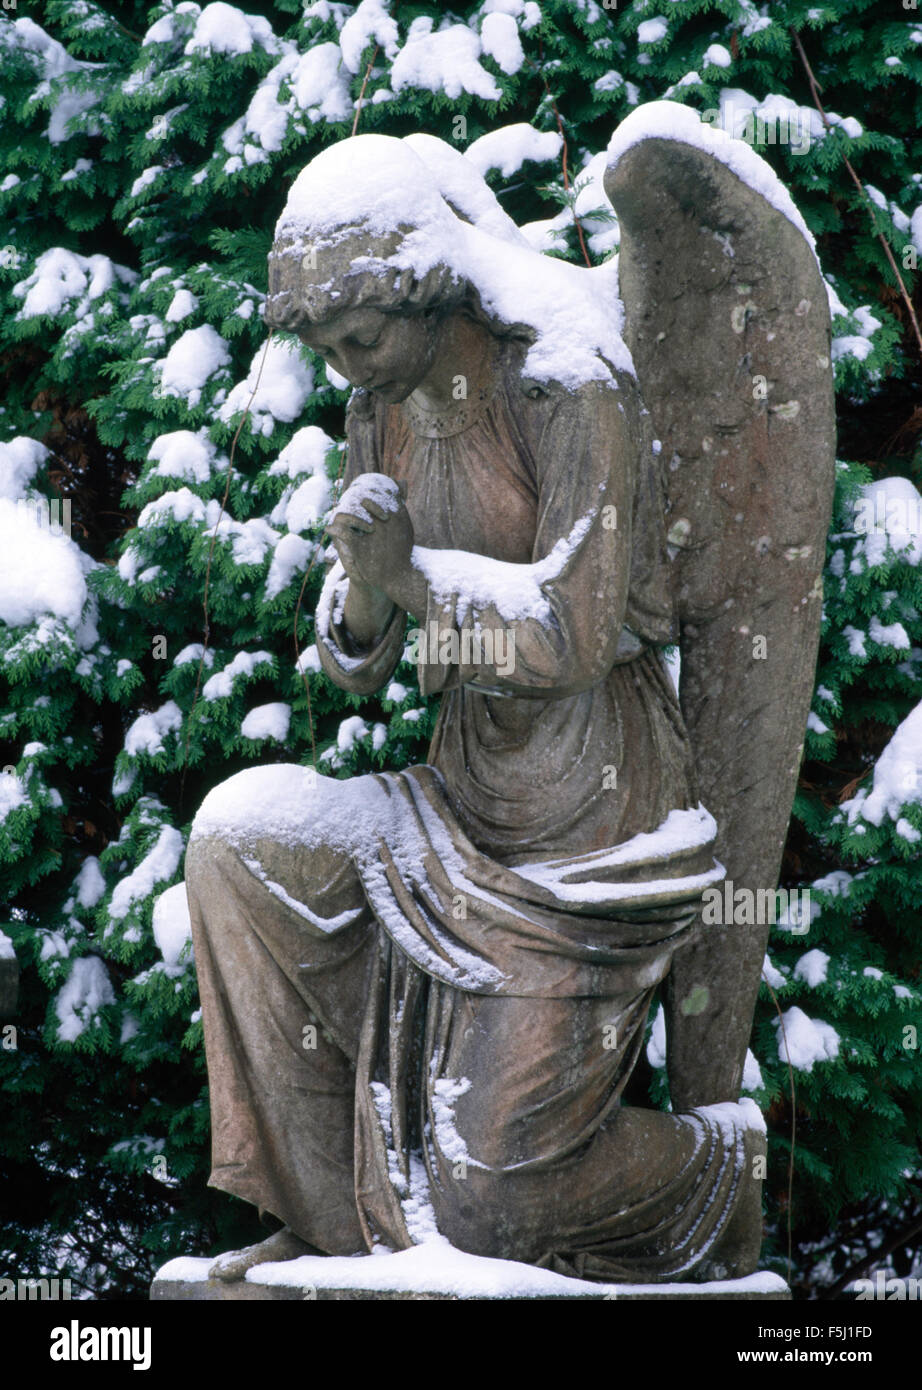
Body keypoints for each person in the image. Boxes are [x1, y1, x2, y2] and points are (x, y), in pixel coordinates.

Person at [185, 135, 764, 1285]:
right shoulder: (384, 401)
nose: (348, 368)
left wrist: (407, 577)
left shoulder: (563, 374)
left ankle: (721, 1177)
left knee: (490, 1195)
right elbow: (356, 653)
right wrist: (362, 594)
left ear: (427, 284)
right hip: (458, 798)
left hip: (597, 833)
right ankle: (344, 1228)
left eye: (361, 338)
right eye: (326, 348)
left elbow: (575, 630)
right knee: (236, 842)